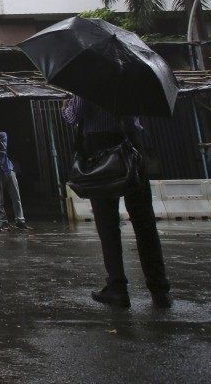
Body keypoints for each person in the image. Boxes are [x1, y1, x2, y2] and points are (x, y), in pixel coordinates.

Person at [62, 95, 171, 309]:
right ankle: (160, 288)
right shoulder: (131, 78)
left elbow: (75, 115)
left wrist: (65, 105)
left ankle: (117, 287)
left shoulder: (92, 74)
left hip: (100, 147)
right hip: (133, 144)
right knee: (144, 222)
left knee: (107, 224)